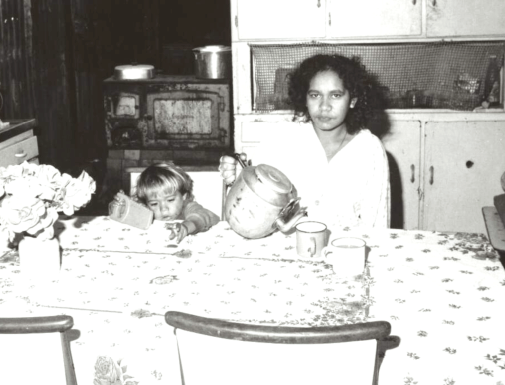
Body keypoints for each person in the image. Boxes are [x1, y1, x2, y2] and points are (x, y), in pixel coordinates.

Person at [220, 54, 390, 230]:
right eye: (315, 95)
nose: (324, 106)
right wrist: (235, 179)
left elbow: (378, 222)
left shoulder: (370, 148)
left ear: (353, 100)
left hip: (344, 249)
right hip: (286, 248)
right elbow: (249, 209)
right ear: (305, 99)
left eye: (336, 95)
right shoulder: (282, 138)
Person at [134, 162, 220, 243]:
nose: (163, 209)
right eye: (154, 204)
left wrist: (186, 227)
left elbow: (207, 216)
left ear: (184, 197)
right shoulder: (148, 212)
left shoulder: (187, 206)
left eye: (170, 200)